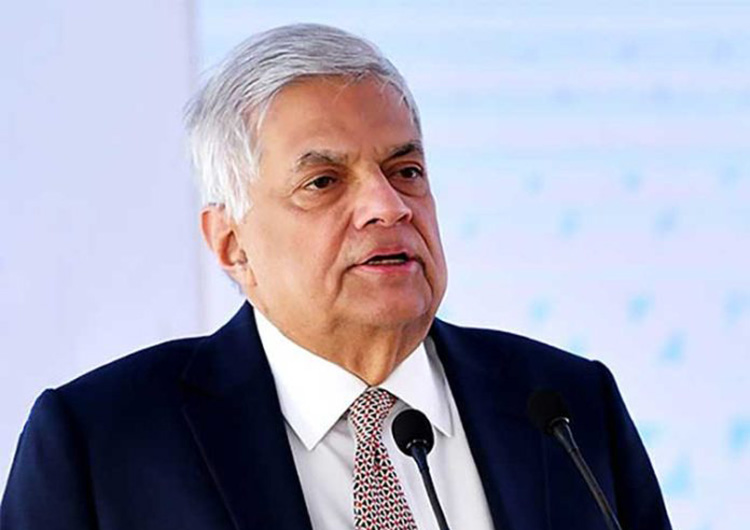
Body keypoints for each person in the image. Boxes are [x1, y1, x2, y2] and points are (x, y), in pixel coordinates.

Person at [0, 23, 671, 530]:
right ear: (232, 244)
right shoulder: (101, 442)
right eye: (323, 182)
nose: (389, 205)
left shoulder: (567, 407)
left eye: (406, 170)